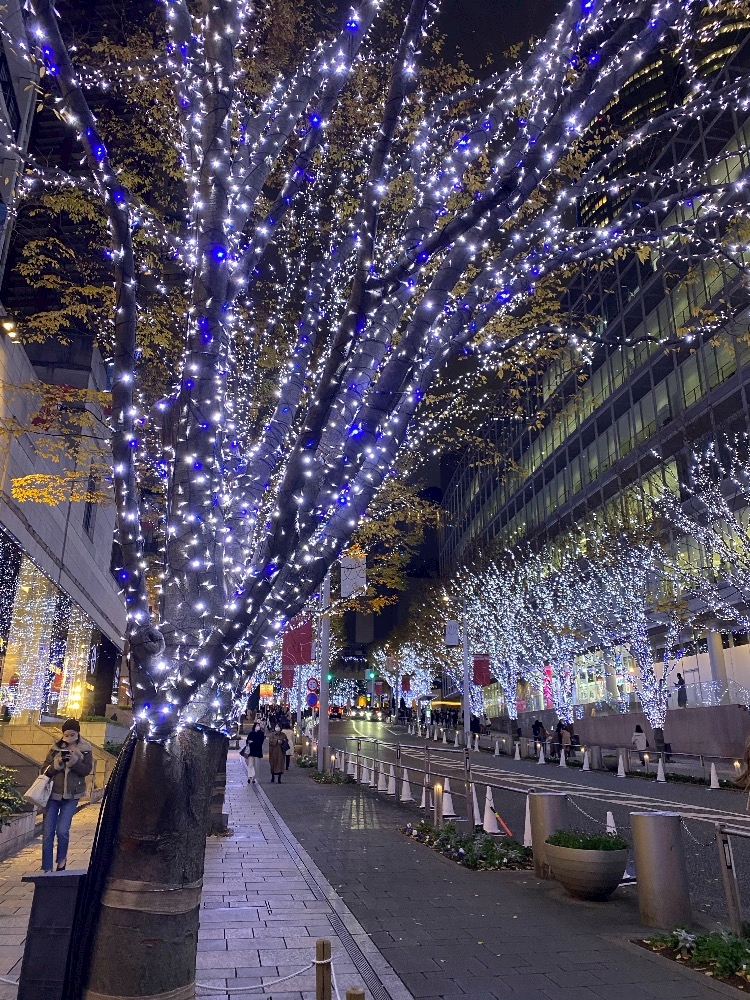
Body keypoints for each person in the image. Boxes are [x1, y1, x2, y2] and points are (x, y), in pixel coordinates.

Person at [40, 719, 93, 872]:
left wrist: (74, 762)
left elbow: (86, 770)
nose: (69, 738)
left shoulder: (85, 749)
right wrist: (56, 764)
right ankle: (47, 868)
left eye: (72, 734)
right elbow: (44, 770)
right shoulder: (55, 748)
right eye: (66, 735)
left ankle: (61, 862)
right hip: (53, 795)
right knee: (48, 833)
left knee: (63, 831)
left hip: (72, 796)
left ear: (78, 733)